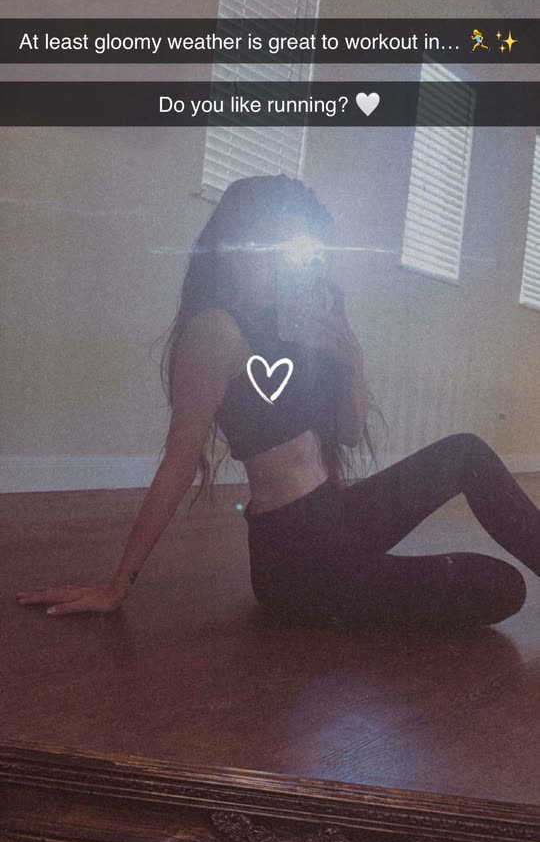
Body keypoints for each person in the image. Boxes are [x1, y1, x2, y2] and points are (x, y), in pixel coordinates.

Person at [16, 174, 539, 631]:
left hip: (335, 518)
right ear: (239, 243)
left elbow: (349, 433)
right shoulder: (216, 331)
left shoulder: (289, 325)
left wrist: (351, 361)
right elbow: (178, 465)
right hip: (300, 564)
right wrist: (117, 586)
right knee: (500, 585)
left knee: (465, 452)